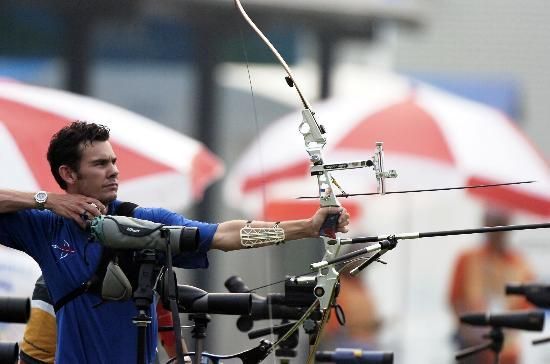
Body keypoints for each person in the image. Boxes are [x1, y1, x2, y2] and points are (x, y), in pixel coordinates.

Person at [0, 121, 350, 364]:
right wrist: (46, 200)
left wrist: (307, 227)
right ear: (68, 174)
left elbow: (223, 235)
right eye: (100, 164)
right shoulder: (46, 228)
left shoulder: (144, 220)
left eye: (114, 162)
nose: (114, 171)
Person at [448, 208, 534, 364]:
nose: (497, 231)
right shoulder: (468, 258)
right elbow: (454, 300)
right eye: (492, 224)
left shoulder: (521, 265)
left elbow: (527, 310)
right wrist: (472, 330)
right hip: (472, 349)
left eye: (501, 224)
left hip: (506, 352)